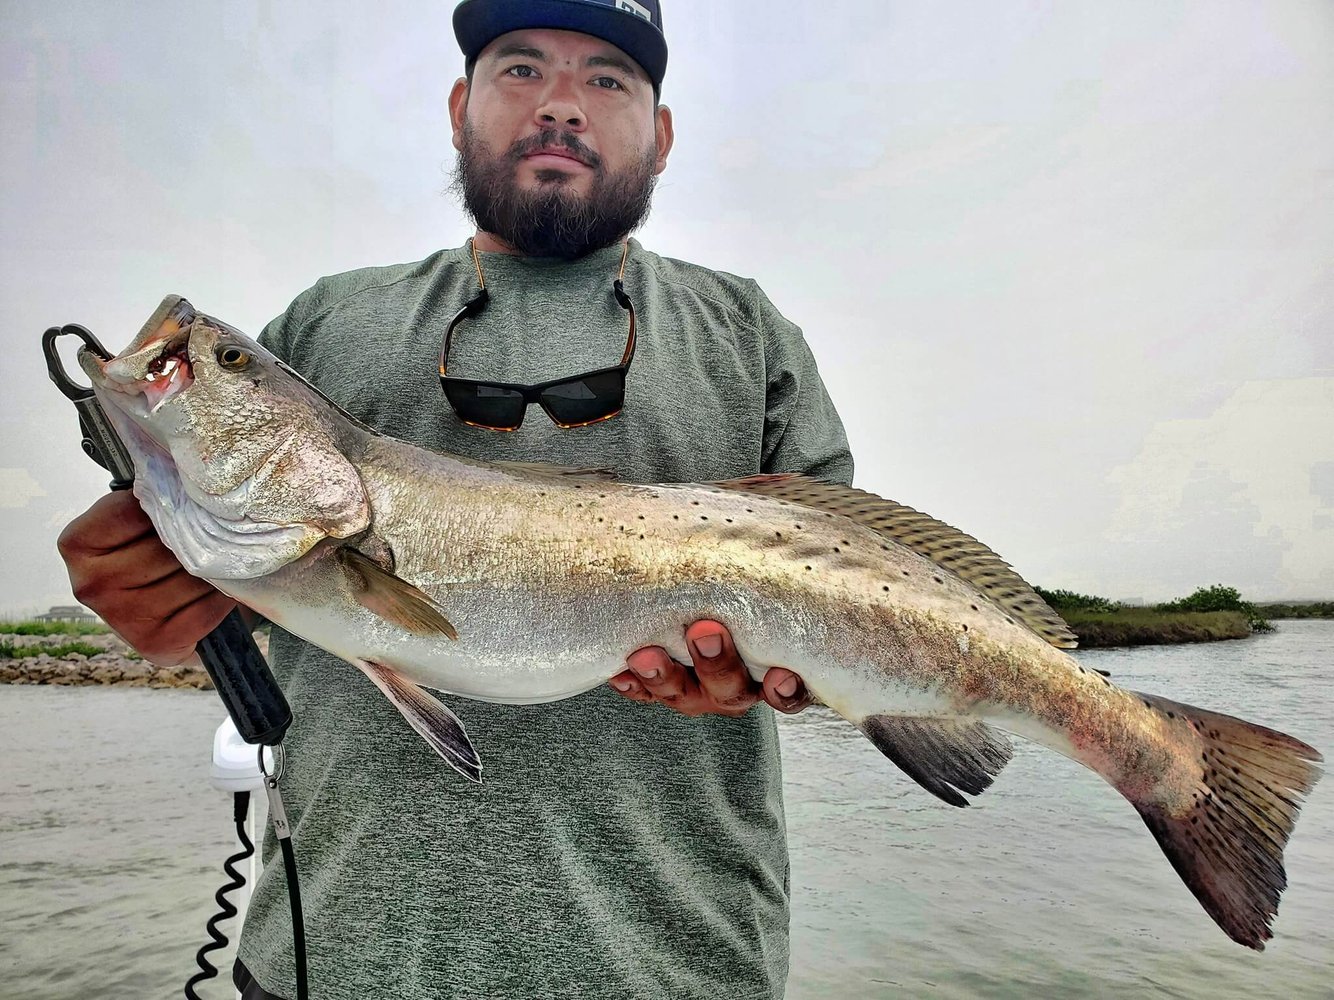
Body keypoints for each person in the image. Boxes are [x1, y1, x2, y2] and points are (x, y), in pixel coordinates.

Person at [57, 1, 854, 997]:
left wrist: (778, 671)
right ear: (457, 106)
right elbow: (187, 549)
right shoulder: (320, 321)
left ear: (659, 132)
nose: (560, 103)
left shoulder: (747, 333)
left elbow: (839, 607)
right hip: (333, 956)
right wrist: (150, 591)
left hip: (679, 963)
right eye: (518, 68)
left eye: (606, 77)